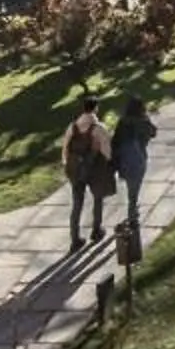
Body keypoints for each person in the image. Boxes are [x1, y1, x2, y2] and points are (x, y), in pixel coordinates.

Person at [61, 103, 114, 250]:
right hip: (94, 170)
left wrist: (67, 164)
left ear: (83, 109)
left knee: (77, 204)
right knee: (98, 198)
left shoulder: (72, 127)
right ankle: (96, 230)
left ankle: (75, 239)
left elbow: (65, 147)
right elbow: (107, 151)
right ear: (96, 108)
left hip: (75, 170)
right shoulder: (98, 128)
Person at [112, 93, 158, 234]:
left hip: (124, 161)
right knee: (134, 191)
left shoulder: (122, 122)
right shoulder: (142, 121)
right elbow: (153, 133)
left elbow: (114, 142)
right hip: (138, 159)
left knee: (131, 188)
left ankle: (133, 210)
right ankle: (133, 217)